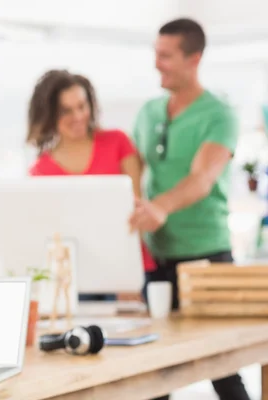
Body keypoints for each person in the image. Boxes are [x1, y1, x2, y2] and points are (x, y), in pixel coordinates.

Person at [130, 19, 250, 400]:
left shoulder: (220, 114)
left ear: (194, 58)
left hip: (207, 259)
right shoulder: (149, 112)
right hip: (158, 262)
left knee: (224, 371)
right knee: (152, 375)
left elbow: (203, 178)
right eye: (155, 53)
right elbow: (133, 169)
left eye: (165, 56)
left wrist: (160, 207)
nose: (156, 63)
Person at [27, 69, 156, 301]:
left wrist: (125, 280)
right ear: (48, 115)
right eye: (66, 110)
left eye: (82, 106)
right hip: (75, 281)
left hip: (127, 273)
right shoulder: (40, 170)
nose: (78, 116)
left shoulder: (118, 143)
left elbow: (135, 213)